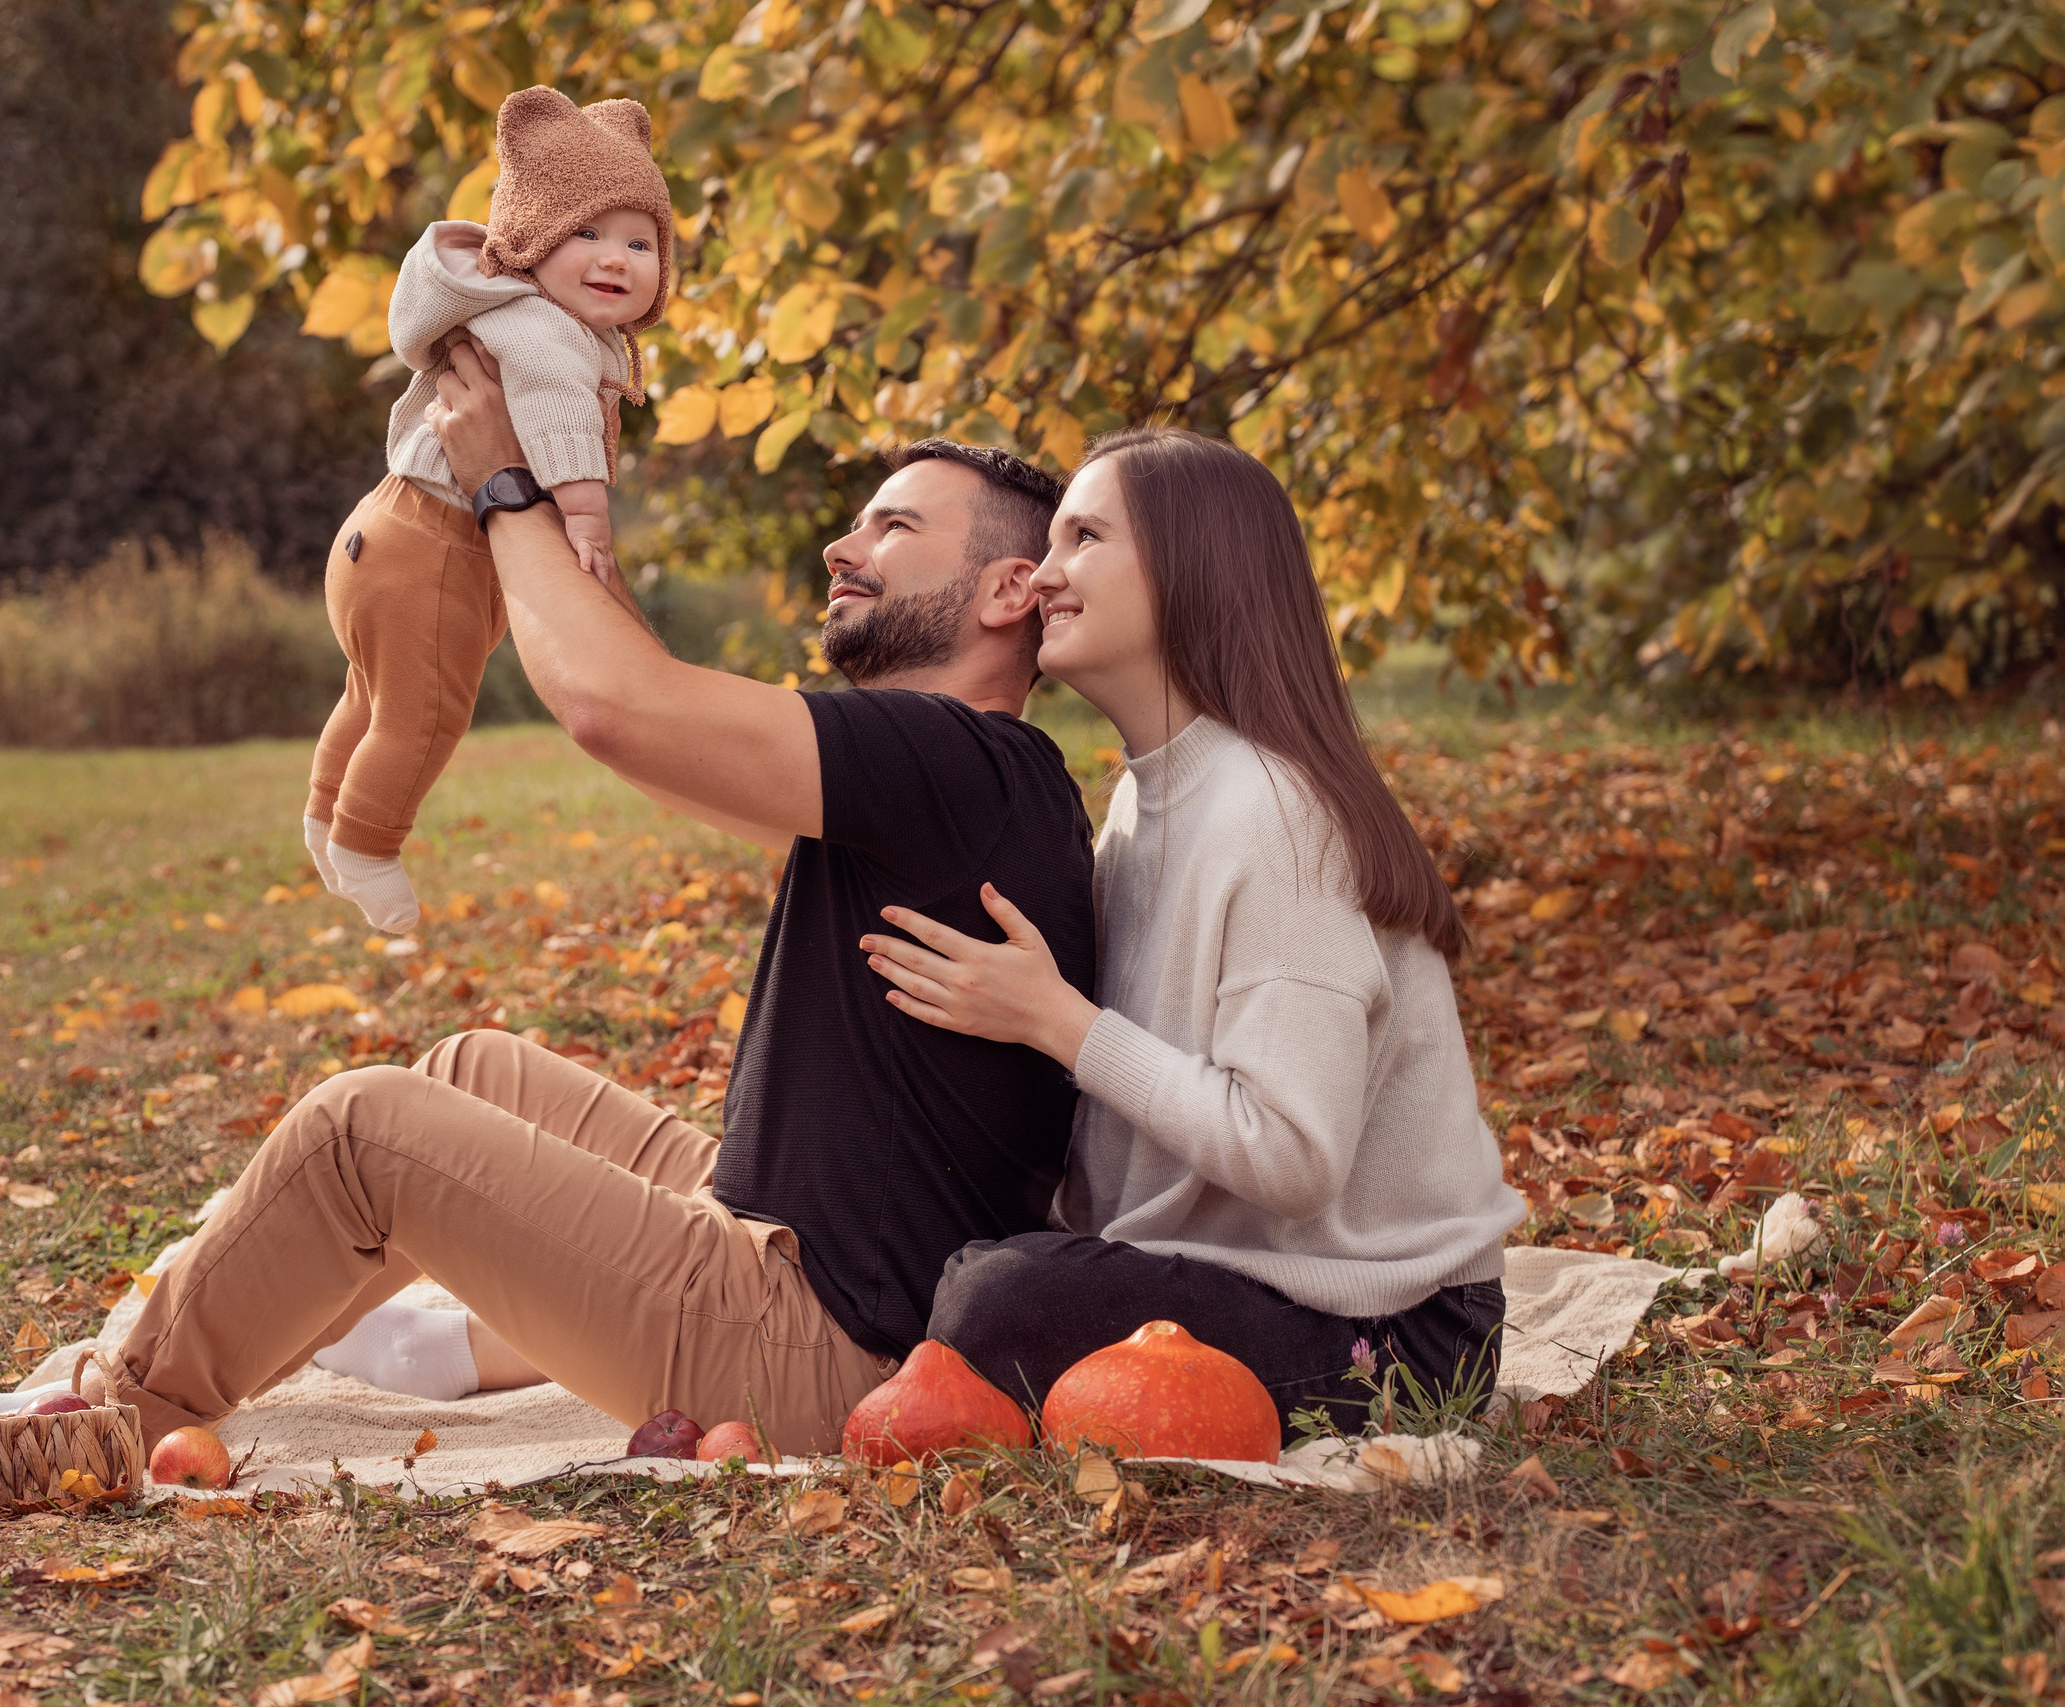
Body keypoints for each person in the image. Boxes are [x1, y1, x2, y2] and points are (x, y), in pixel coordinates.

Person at [91, 406, 1098, 1456]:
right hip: (798, 1258)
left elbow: (615, 709)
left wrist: (501, 488)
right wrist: (583, 549)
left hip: (823, 1355)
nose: (843, 549)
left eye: (892, 528)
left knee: (362, 1132)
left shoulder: (950, 759)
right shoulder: (968, 778)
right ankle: (311, 1332)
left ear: (1006, 590)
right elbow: (668, 727)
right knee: (471, 1070)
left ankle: (114, 1416)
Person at [858, 427, 1524, 1431]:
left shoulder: (1274, 814)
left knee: (998, 1301)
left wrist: (1060, 1023)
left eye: (1085, 538)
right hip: (1234, 1275)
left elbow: (1292, 1158)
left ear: (1189, 569)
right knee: (961, 1260)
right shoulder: (1144, 800)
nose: (1043, 572)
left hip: (1395, 1334)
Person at [304, 87, 670, 935]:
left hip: (380, 532)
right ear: (533, 240)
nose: (616, 257)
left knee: (371, 694)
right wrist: (584, 517)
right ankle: (367, 842)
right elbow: (557, 418)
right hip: (433, 551)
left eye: (640, 242)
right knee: (428, 711)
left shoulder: (522, 315)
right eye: (586, 233)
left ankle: (325, 811)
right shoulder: (542, 332)